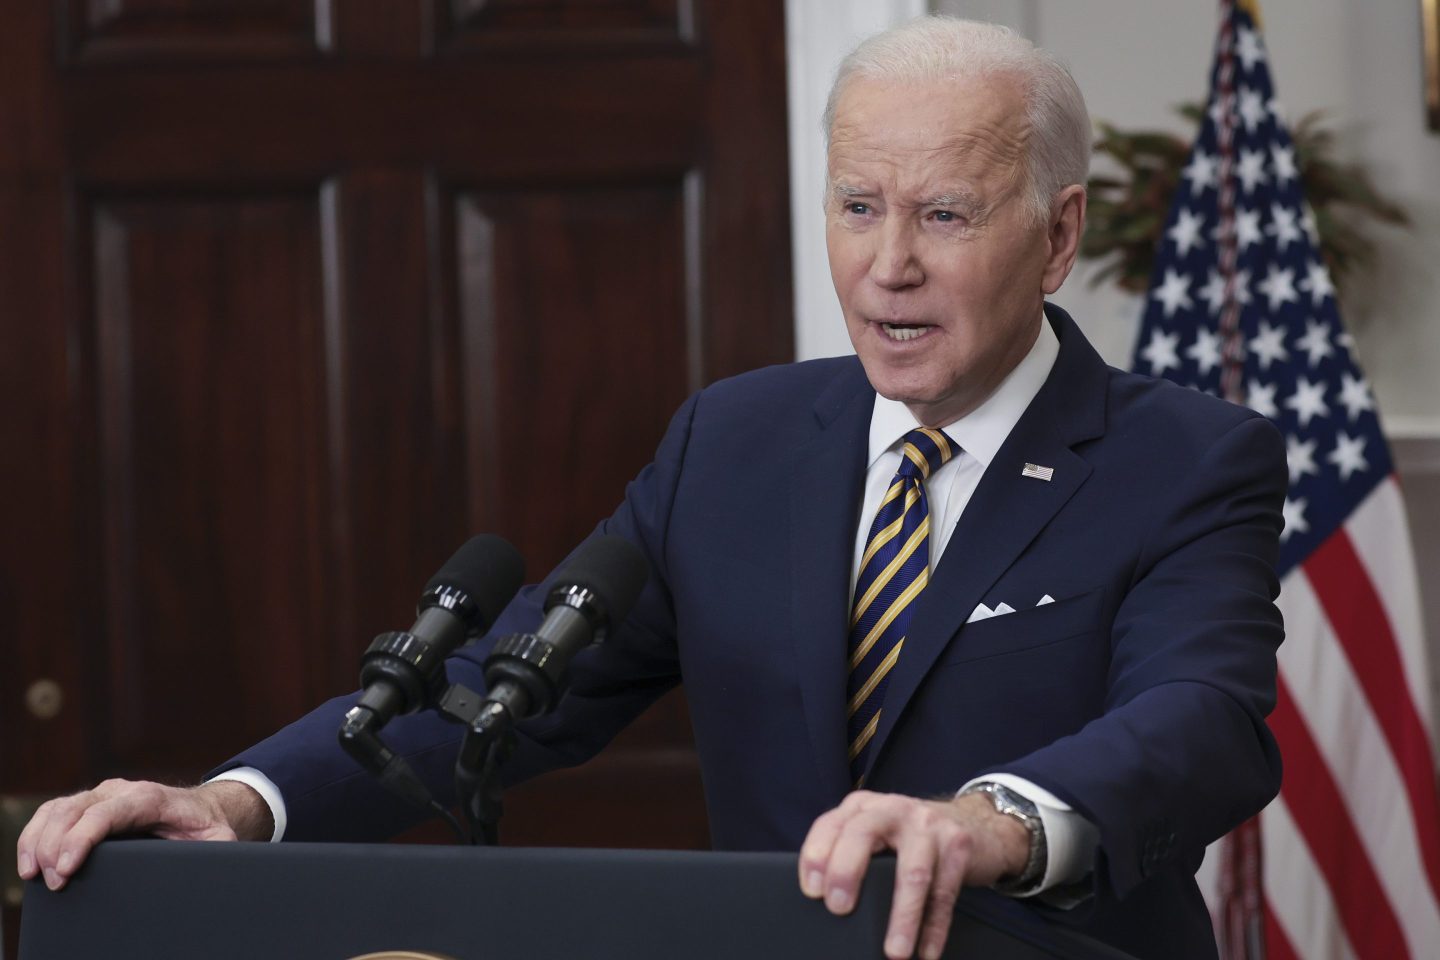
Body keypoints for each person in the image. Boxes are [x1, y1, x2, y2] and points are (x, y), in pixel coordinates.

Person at [17, 17, 1286, 960]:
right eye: (857, 206)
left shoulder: (1187, 461)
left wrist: (989, 826)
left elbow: (1200, 722)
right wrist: (234, 803)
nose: (888, 266)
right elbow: (500, 685)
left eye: (945, 214)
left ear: (1057, 236)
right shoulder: (731, 442)